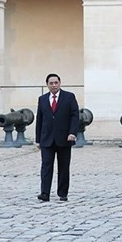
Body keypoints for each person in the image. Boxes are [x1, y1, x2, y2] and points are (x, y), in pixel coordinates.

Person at [35, 73, 79, 202]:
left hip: (65, 138)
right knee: (46, 166)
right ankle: (45, 193)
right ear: (47, 85)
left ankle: (62, 193)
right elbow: (40, 119)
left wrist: (73, 133)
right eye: (51, 83)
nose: (54, 85)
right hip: (47, 138)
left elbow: (75, 115)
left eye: (56, 83)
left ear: (60, 83)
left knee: (64, 167)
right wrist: (38, 139)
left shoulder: (69, 97)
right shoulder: (42, 99)